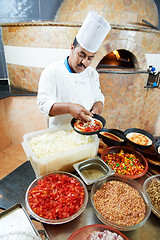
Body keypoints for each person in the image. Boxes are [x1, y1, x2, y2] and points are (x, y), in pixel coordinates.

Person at [37, 12, 111, 128]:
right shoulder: (51, 71)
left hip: (86, 130)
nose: (84, 62)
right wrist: (69, 108)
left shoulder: (92, 74)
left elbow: (98, 98)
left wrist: (96, 111)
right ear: (72, 48)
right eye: (81, 55)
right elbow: (43, 104)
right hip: (59, 133)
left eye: (90, 58)